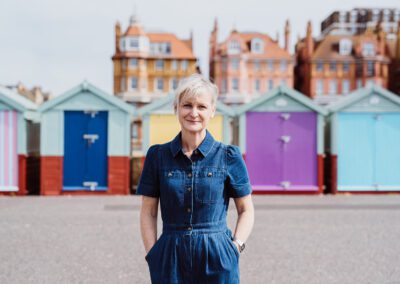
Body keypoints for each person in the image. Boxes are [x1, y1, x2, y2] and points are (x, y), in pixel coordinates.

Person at [137, 73, 254, 283]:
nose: (194, 113)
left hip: (218, 256)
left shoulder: (228, 156)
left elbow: (246, 209)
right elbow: (148, 211)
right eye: (187, 105)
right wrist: (153, 254)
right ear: (176, 108)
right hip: (170, 256)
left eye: (201, 106)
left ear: (212, 111)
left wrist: (236, 247)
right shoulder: (158, 156)